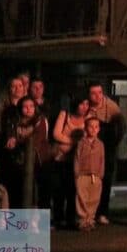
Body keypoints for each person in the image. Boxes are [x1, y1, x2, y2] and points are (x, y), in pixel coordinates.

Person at [2, 95, 53, 209]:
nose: (28, 109)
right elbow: (9, 136)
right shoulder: (14, 121)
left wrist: (17, 140)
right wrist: (11, 138)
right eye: (25, 106)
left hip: (39, 161)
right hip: (19, 161)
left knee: (40, 191)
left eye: (31, 106)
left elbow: (36, 139)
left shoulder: (41, 120)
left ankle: (41, 222)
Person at [87, 82, 124, 225]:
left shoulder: (112, 106)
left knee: (106, 180)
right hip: (89, 149)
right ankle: (89, 213)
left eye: (99, 92)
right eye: (93, 93)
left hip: (107, 148)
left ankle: (102, 212)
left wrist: (114, 143)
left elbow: (122, 126)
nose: (97, 96)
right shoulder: (86, 107)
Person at [52, 97, 90, 229]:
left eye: (86, 103)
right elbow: (56, 134)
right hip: (61, 158)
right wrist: (74, 142)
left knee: (73, 190)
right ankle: (58, 218)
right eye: (82, 103)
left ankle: (71, 219)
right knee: (59, 190)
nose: (84, 107)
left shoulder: (88, 118)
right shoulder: (65, 115)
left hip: (77, 161)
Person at [74, 117, 105, 231]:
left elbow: (102, 159)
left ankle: (90, 219)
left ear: (99, 129)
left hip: (96, 176)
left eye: (96, 127)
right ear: (86, 128)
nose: (93, 129)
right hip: (83, 175)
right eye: (91, 126)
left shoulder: (100, 144)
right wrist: (77, 174)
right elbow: (77, 158)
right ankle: (82, 220)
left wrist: (100, 174)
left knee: (94, 198)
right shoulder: (81, 143)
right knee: (82, 198)